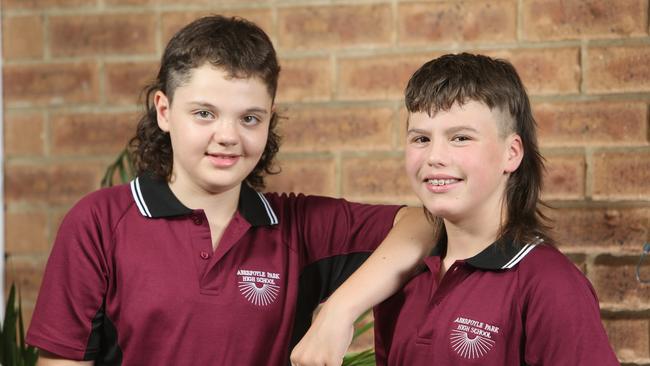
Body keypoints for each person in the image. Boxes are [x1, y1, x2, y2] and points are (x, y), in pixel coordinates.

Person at [25, 15, 434, 365]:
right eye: (205, 113)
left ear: (270, 117)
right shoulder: (99, 221)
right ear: (164, 111)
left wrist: (340, 311)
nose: (228, 136)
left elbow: (426, 221)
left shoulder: (297, 226)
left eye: (249, 118)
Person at [291, 53, 619, 365]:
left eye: (460, 138)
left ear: (512, 153)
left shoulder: (550, 284)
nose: (435, 156)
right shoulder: (403, 277)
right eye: (421, 139)